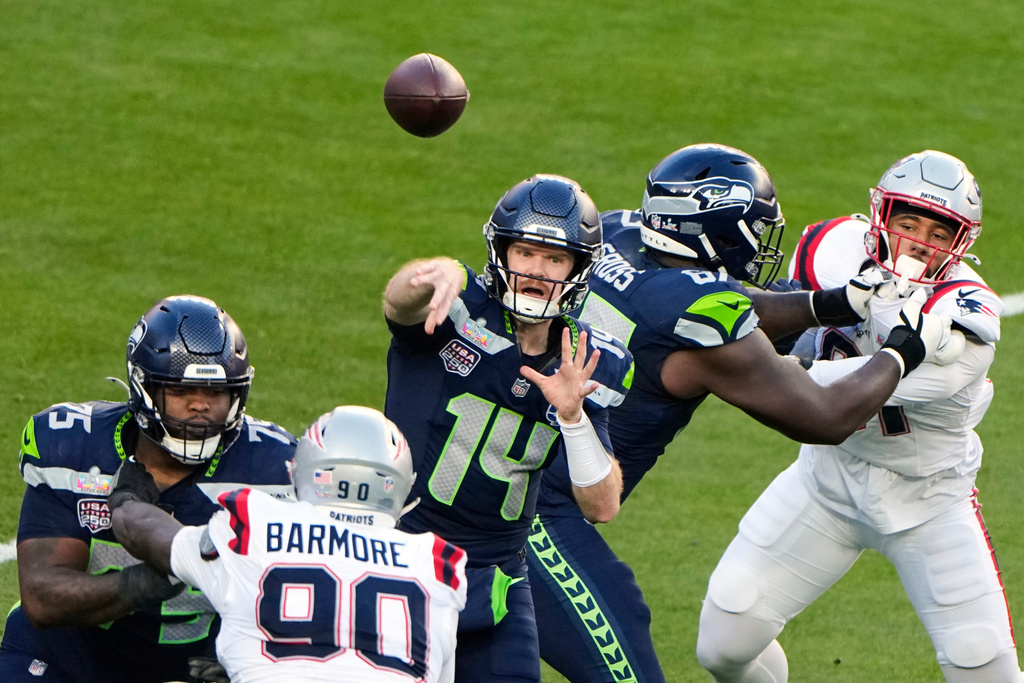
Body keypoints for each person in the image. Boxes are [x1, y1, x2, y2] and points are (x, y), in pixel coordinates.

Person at [526, 143, 962, 683]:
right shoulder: (703, 323)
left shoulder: (616, 234)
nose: (761, 240)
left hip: (501, 469)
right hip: (533, 512)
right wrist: (902, 351)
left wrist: (830, 303)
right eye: (754, 226)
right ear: (716, 228)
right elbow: (825, 417)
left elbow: (714, 300)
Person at [695, 150, 1017, 682]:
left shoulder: (964, 314)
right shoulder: (837, 247)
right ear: (881, 215)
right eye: (906, 221)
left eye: (938, 233)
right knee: (724, 642)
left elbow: (848, 391)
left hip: (928, 500)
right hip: (827, 481)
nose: (918, 241)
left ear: (959, 243)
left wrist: (773, 368)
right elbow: (772, 311)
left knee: (979, 663)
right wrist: (828, 305)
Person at [382, 173, 635, 683]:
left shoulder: (585, 359)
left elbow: (602, 506)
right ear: (501, 253)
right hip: (397, 555)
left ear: (578, 269)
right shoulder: (455, 310)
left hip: (495, 575)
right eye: (525, 252)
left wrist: (574, 419)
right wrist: (433, 272)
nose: (537, 271)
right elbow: (398, 303)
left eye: (555, 258)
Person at [0, 295, 297, 683]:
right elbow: (43, 598)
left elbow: (293, 600)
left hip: (196, 669)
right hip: (66, 660)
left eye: (215, 393)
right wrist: (149, 580)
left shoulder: (276, 468)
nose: (200, 407)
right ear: (144, 388)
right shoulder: (70, 447)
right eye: (181, 391)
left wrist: (241, 657)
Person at [106, 405, 469, 683]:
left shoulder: (255, 524)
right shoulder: (438, 563)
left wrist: (127, 500)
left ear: (302, 469)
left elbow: (146, 533)